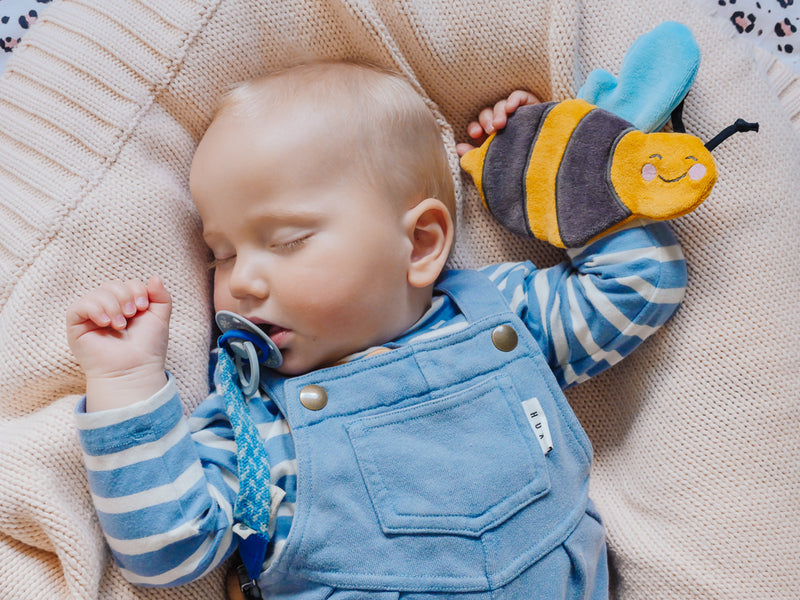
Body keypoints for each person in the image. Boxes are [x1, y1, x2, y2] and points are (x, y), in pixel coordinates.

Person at [67, 60, 687, 599]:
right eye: (221, 255)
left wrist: (547, 171)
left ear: (420, 243)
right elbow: (167, 551)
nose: (244, 281)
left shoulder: (502, 316)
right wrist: (125, 381)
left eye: (287, 240)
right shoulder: (258, 427)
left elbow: (641, 283)